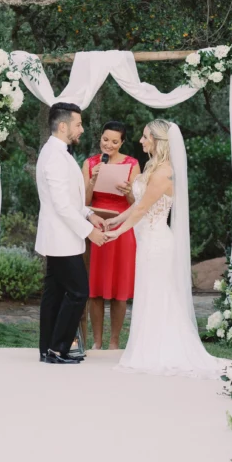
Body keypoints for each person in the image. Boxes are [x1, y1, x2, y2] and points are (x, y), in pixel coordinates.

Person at [103, 120, 223, 379]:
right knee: (149, 294)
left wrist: (117, 232)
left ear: (158, 141)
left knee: (157, 294)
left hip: (157, 242)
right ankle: (149, 348)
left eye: (146, 137)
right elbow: (140, 205)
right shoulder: (151, 168)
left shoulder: (163, 172)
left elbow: (144, 209)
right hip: (148, 239)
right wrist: (116, 218)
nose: (141, 141)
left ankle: (159, 351)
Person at [35, 103, 108, 365]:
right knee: (78, 293)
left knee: (54, 293)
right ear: (63, 125)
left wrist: (89, 214)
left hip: (60, 237)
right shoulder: (54, 156)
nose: (82, 129)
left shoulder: (58, 152)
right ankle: (58, 349)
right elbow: (61, 205)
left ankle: (48, 349)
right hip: (61, 238)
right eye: (78, 124)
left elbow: (70, 199)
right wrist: (89, 232)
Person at [82, 121, 140, 350]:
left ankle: (114, 341)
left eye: (115, 141)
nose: (109, 145)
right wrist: (93, 181)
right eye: (105, 140)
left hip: (122, 230)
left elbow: (138, 205)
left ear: (122, 142)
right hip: (95, 227)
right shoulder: (89, 163)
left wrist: (129, 194)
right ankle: (97, 342)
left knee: (119, 289)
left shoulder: (132, 164)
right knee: (94, 288)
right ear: (100, 138)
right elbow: (82, 203)